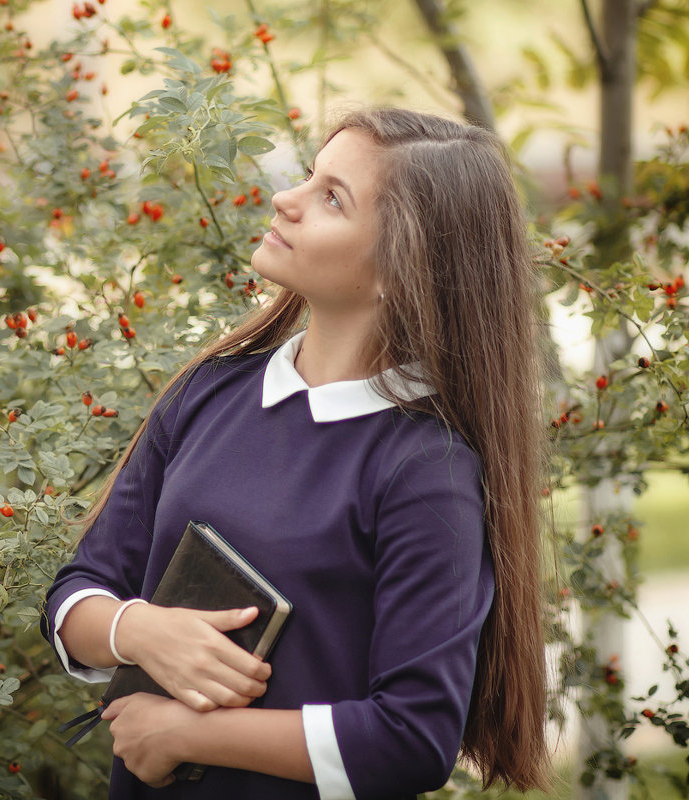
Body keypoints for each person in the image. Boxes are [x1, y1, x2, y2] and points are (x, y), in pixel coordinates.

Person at [41, 107, 552, 799]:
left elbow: (414, 738)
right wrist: (141, 632)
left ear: (399, 272)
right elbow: (77, 592)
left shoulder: (427, 469)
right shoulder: (210, 389)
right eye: (311, 174)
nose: (287, 198)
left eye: (331, 198)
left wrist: (186, 734)